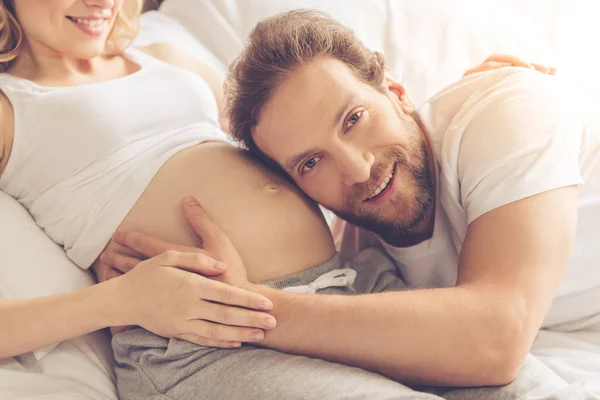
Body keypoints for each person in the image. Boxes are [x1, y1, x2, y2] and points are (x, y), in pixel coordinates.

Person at [0, 1, 570, 399]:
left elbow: (299, 124)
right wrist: (122, 300)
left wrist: (443, 105)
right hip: (206, 337)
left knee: (531, 389)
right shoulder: (10, 105)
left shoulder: (163, 57)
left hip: (345, 288)